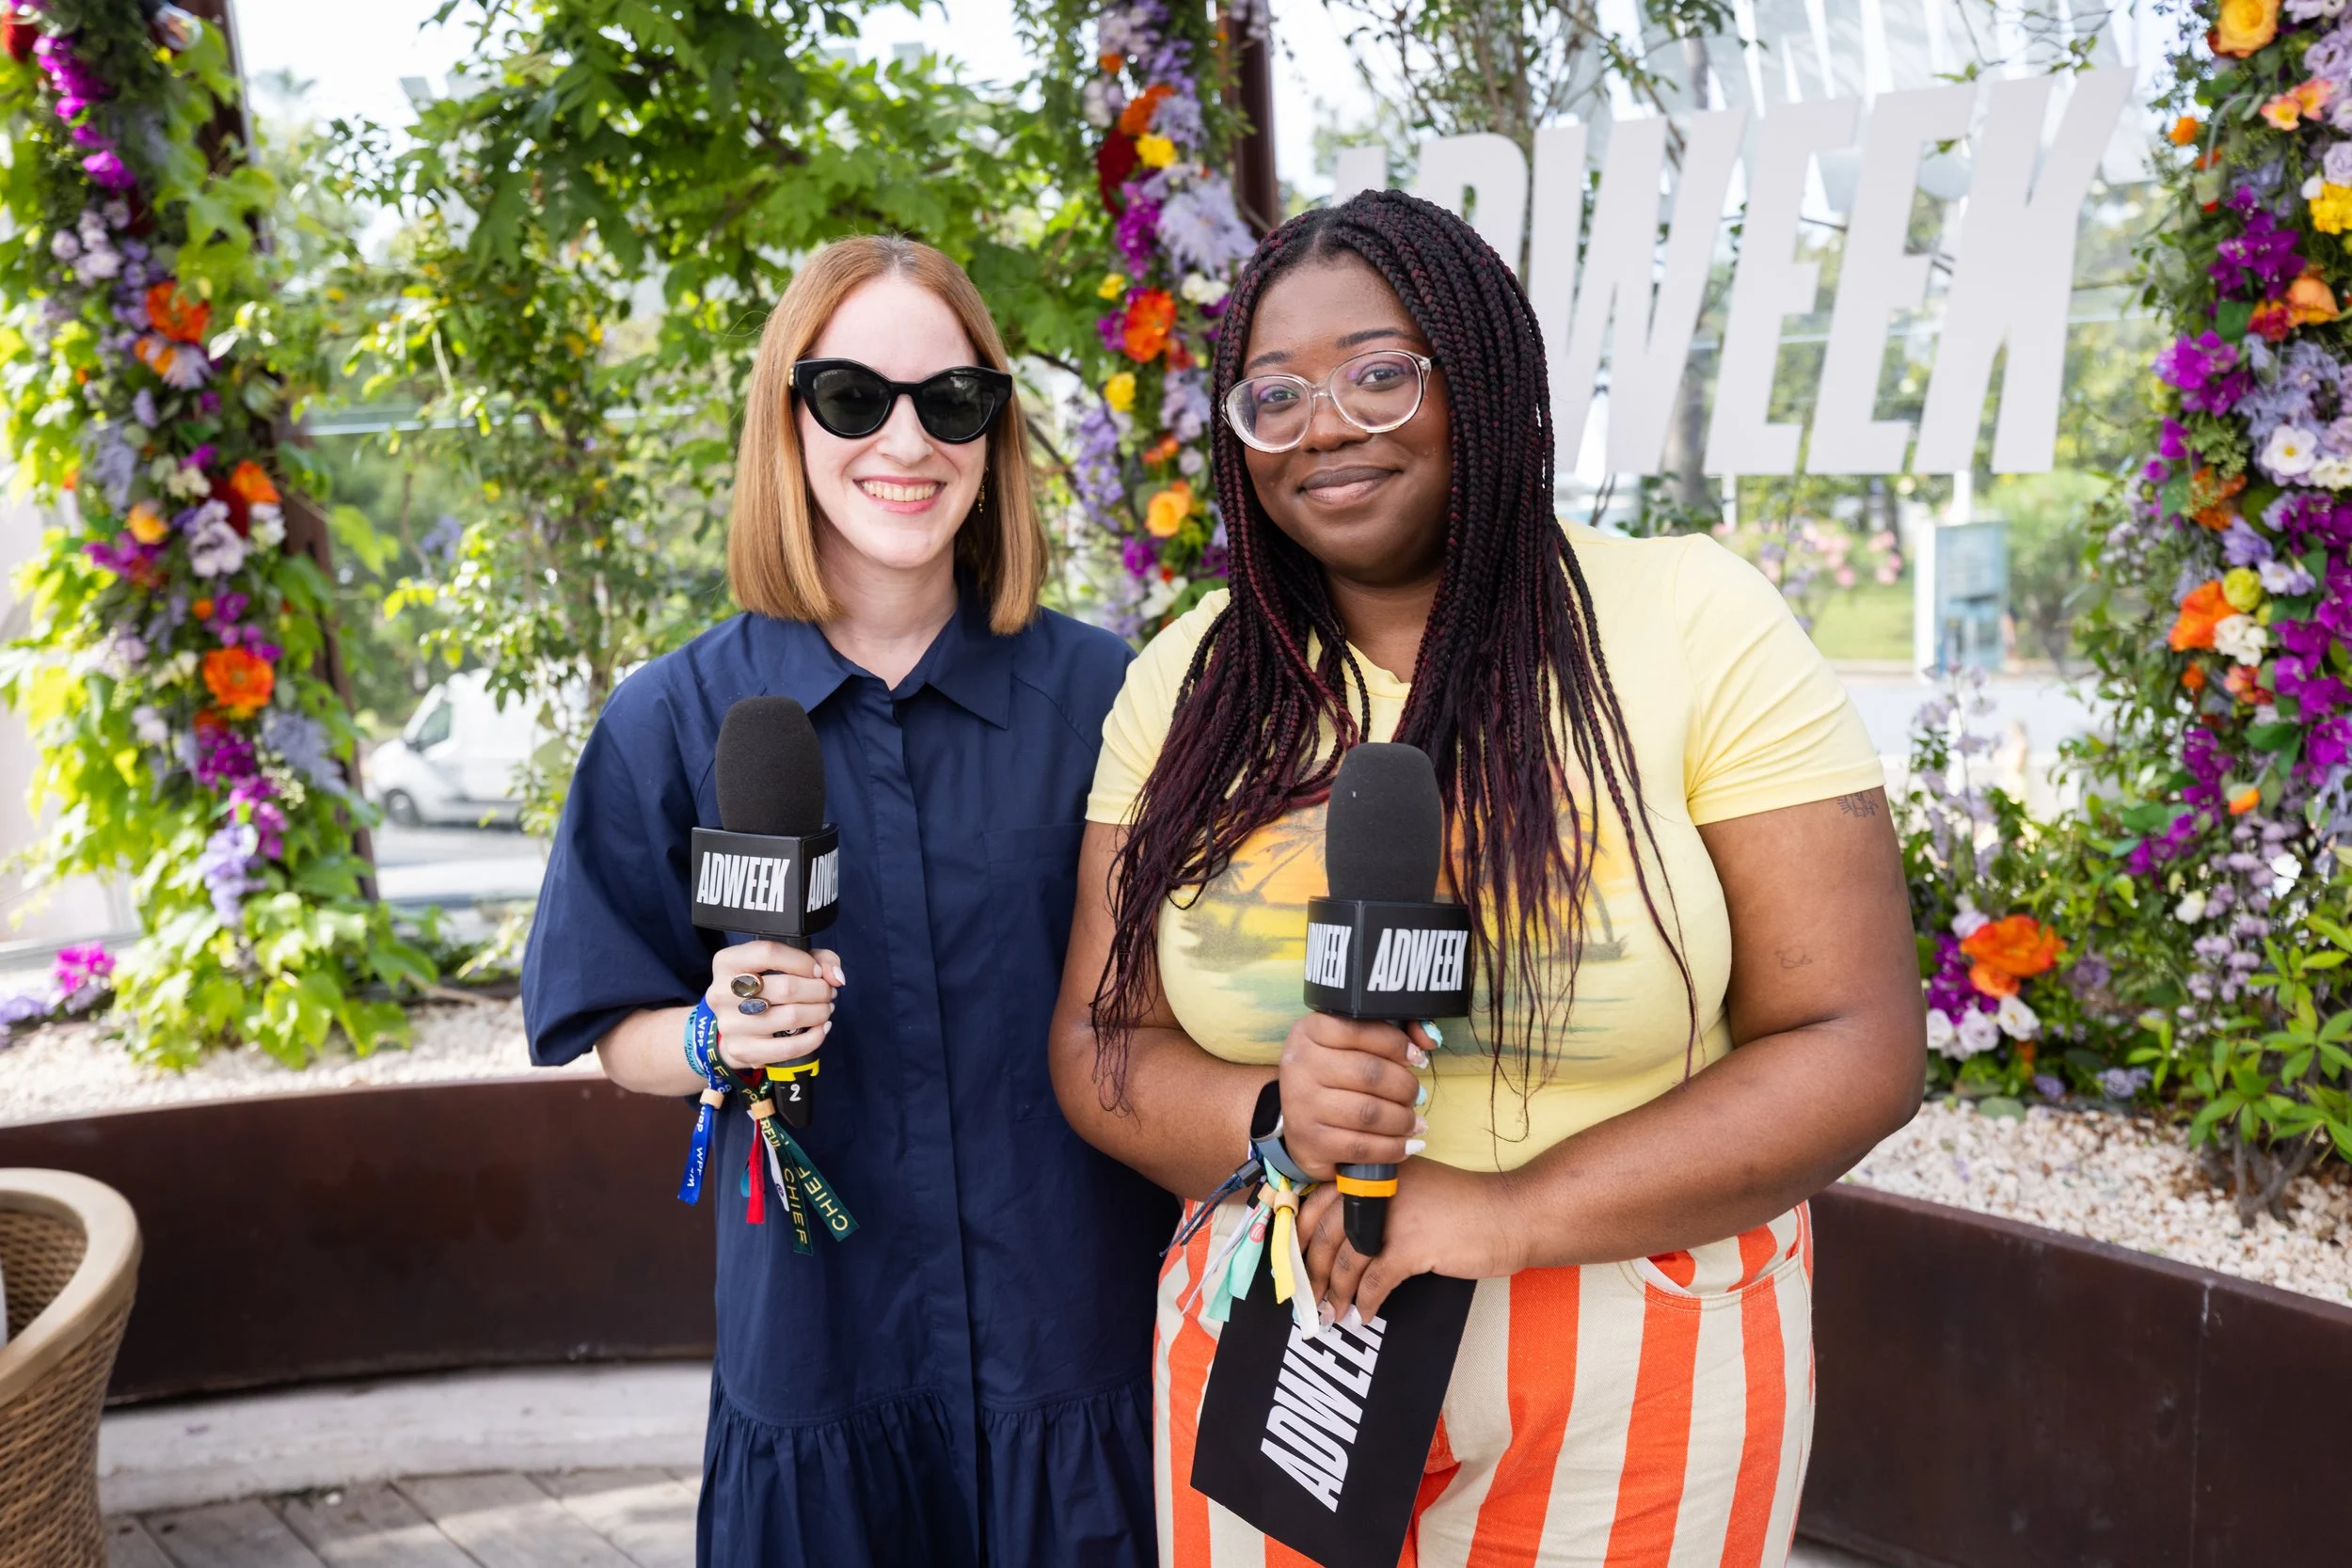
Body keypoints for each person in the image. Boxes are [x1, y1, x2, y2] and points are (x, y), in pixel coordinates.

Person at [1049, 189, 1925, 1566]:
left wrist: (1507, 1209)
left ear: (1485, 375)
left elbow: (1854, 1039)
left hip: (1641, 1344)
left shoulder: (1697, 621)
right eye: (1273, 395)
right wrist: (1274, 1105)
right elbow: (1105, 1041)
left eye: (1380, 374)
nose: (1324, 424)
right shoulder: (1185, 682)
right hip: (1287, 1326)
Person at [523, 235, 1171, 1568]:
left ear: (993, 432)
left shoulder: (1111, 704)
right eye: (852, 396)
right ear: (789, 420)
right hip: (822, 1362)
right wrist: (712, 1036)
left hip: (1081, 1358)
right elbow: (609, 1021)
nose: (907, 440)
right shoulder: (671, 719)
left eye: (952, 400)